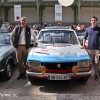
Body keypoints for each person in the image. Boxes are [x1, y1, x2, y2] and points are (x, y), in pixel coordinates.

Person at [81, 16, 100, 81]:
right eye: (92, 20)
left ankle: (96, 74)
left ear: (96, 21)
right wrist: (83, 45)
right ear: (90, 21)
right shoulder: (88, 29)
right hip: (89, 49)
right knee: (89, 62)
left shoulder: (99, 29)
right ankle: (88, 74)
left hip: (97, 49)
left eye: (94, 20)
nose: (93, 21)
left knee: (97, 63)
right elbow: (84, 38)